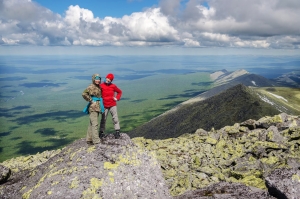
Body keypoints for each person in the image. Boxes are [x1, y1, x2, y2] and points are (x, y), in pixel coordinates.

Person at [82, 73, 103, 145]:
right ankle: (96, 140)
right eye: (96, 79)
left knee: (92, 123)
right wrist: (90, 100)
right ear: (93, 79)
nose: (98, 80)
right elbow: (84, 94)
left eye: (99, 79)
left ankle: (89, 139)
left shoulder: (98, 87)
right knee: (95, 124)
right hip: (93, 107)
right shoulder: (91, 86)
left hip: (97, 107)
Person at [99, 73, 122, 139]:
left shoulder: (113, 86)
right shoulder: (101, 86)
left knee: (115, 118)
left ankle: (117, 131)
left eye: (109, 79)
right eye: (107, 78)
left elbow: (119, 92)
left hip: (112, 105)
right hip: (104, 105)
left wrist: (117, 98)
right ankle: (101, 132)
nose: (108, 80)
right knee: (103, 119)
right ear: (106, 78)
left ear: (111, 80)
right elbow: (97, 93)